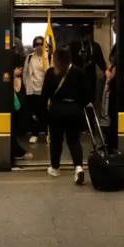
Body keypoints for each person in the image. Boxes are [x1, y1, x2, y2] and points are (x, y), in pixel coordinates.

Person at [43, 47, 90, 184]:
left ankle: (55, 168)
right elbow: (86, 95)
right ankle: (78, 167)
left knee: (56, 140)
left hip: (57, 110)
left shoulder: (51, 73)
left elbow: (44, 95)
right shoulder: (78, 72)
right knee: (74, 140)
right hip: (74, 110)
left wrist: (44, 114)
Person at [23, 36, 49, 144]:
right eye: (36, 44)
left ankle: (48, 134)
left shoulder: (49, 57)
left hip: (44, 89)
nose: (39, 46)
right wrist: (26, 85)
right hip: (32, 89)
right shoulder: (29, 58)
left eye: (41, 44)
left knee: (45, 113)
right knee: (34, 113)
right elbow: (25, 73)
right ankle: (35, 133)